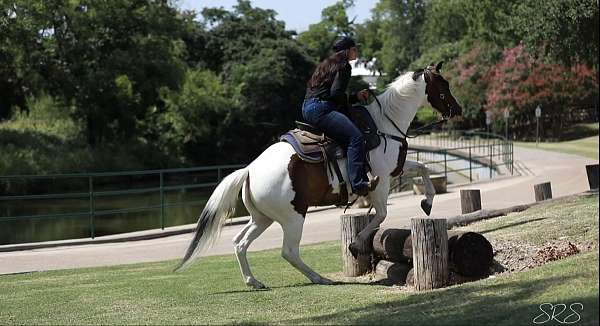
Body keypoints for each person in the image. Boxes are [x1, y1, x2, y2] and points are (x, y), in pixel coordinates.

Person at [302, 36, 378, 196]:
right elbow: (336, 94)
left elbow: (331, 94)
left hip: (308, 107)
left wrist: (353, 97)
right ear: (348, 51)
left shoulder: (326, 65)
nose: (356, 51)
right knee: (356, 138)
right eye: (354, 49)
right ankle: (358, 184)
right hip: (322, 109)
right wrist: (353, 98)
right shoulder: (344, 66)